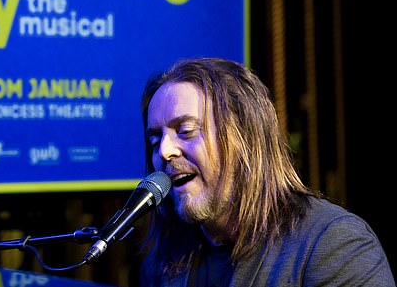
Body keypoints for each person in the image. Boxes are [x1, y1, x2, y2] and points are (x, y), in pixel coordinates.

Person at [139, 57, 395, 286]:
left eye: (185, 131)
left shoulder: (333, 243)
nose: (164, 150)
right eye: (154, 141)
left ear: (245, 136)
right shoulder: (162, 265)